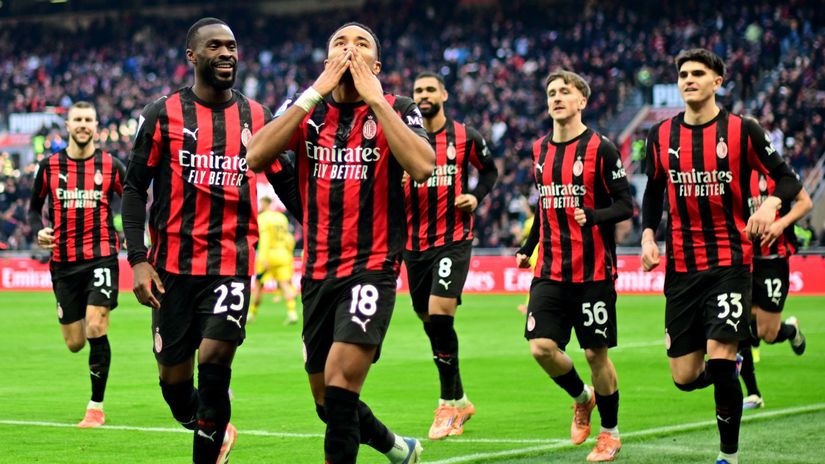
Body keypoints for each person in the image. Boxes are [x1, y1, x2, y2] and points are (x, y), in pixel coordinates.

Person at [246, 21, 434, 464]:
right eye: (339, 44)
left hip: (372, 267)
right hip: (317, 272)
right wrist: (315, 90)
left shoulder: (398, 107)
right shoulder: (308, 110)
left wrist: (374, 99)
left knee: (341, 383)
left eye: (361, 43)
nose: (350, 50)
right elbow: (255, 155)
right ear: (327, 60)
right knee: (327, 404)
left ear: (377, 64)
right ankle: (394, 446)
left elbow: (423, 166)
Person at [640, 49, 804, 464]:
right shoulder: (659, 136)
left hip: (730, 263)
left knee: (723, 352)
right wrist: (646, 235)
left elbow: (787, 179)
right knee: (685, 376)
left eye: (698, 73)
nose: (688, 79)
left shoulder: (743, 130)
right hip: (680, 267)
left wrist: (769, 207)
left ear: (718, 81)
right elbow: (654, 191)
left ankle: (727, 455)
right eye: (683, 73)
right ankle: (729, 375)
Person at [121, 18, 273, 464]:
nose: (227, 53)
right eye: (215, 46)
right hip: (170, 269)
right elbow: (133, 190)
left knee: (214, 364)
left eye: (232, 46)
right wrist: (138, 259)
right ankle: (214, 429)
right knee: (174, 385)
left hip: (231, 263)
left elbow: (288, 183)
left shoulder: (257, 117)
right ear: (192, 55)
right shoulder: (162, 114)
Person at [516, 70, 632, 462]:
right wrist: (527, 245)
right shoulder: (539, 150)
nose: (557, 97)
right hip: (549, 268)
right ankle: (583, 397)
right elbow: (544, 203)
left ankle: (610, 433)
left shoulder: (602, 148)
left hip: (594, 271)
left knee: (595, 355)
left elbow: (625, 205)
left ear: (582, 101)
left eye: (565, 92)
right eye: (551, 92)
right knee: (541, 348)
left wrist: (593, 216)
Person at [403, 71, 498, 440]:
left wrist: (476, 197)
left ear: (443, 93)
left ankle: (446, 404)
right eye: (418, 90)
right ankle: (461, 400)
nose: (423, 95)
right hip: (413, 244)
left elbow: (489, 172)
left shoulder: (466, 136)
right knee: (430, 321)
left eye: (429, 89)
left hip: (453, 237)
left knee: (441, 315)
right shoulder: (404, 138)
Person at [29, 101, 124, 428]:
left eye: (88, 119)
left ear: (96, 126)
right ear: (67, 125)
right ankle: (91, 327)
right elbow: (33, 209)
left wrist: (126, 231)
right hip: (63, 264)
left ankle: (96, 407)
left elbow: (135, 200)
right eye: (77, 120)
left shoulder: (111, 165)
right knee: (75, 342)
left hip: (101, 256)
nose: (83, 125)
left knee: (96, 326)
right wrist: (37, 230)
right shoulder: (49, 166)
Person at [738, 173, 811, 409]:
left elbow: (806, 203)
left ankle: (790, 330)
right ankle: (753, 394)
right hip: (746, 260)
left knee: (768, 334)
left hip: (773, 261)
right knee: (739, 323)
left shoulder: (779, 172)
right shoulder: (737, 170)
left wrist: (781, 223)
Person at [250, 196, 298, 324]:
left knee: (259, 285)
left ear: (264, 204)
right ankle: (292, 313)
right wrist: (289, 251)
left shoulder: (263, 218)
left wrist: (263, 257)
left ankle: (251, 313)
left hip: (269, 255)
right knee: (284, 283)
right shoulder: (281, 217)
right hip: (284, 254)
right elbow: (289, 237)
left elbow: (265, 239)